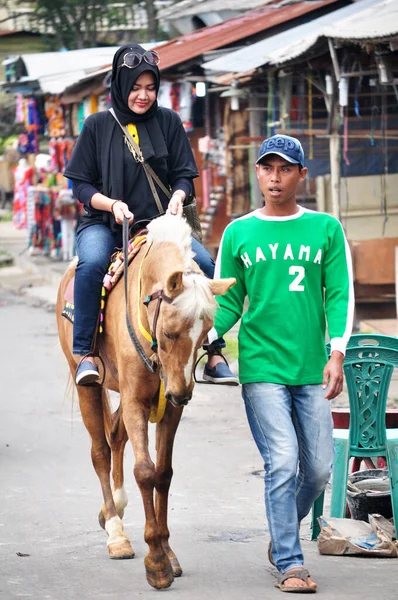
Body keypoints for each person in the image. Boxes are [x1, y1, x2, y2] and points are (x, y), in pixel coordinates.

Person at [208, 134, 354, 593]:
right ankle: (291, 562)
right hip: (261, 365)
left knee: (319, 469)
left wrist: (337, 351)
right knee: (284, 461)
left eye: (285, 169)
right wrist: (204, 338)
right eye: (267, 168)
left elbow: (341, 294)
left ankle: (281, 532)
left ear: (301, 175)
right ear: (257, 173)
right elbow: (227, 301)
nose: (275, 177)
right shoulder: (238, 232)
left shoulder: (325, 228)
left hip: (312, 366)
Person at [64, 44, 238, 387]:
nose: (143, 95)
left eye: (150, 87)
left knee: (204, 267)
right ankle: (86, 353)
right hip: (105, 224)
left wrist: (178, 195)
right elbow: (80, 186)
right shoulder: (97, 125)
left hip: (161, 227)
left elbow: (184, 174)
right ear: (120, 85)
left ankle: (213, 351)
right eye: (135, 87)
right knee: (92, 263)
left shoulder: (169, 121)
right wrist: (110, 204)